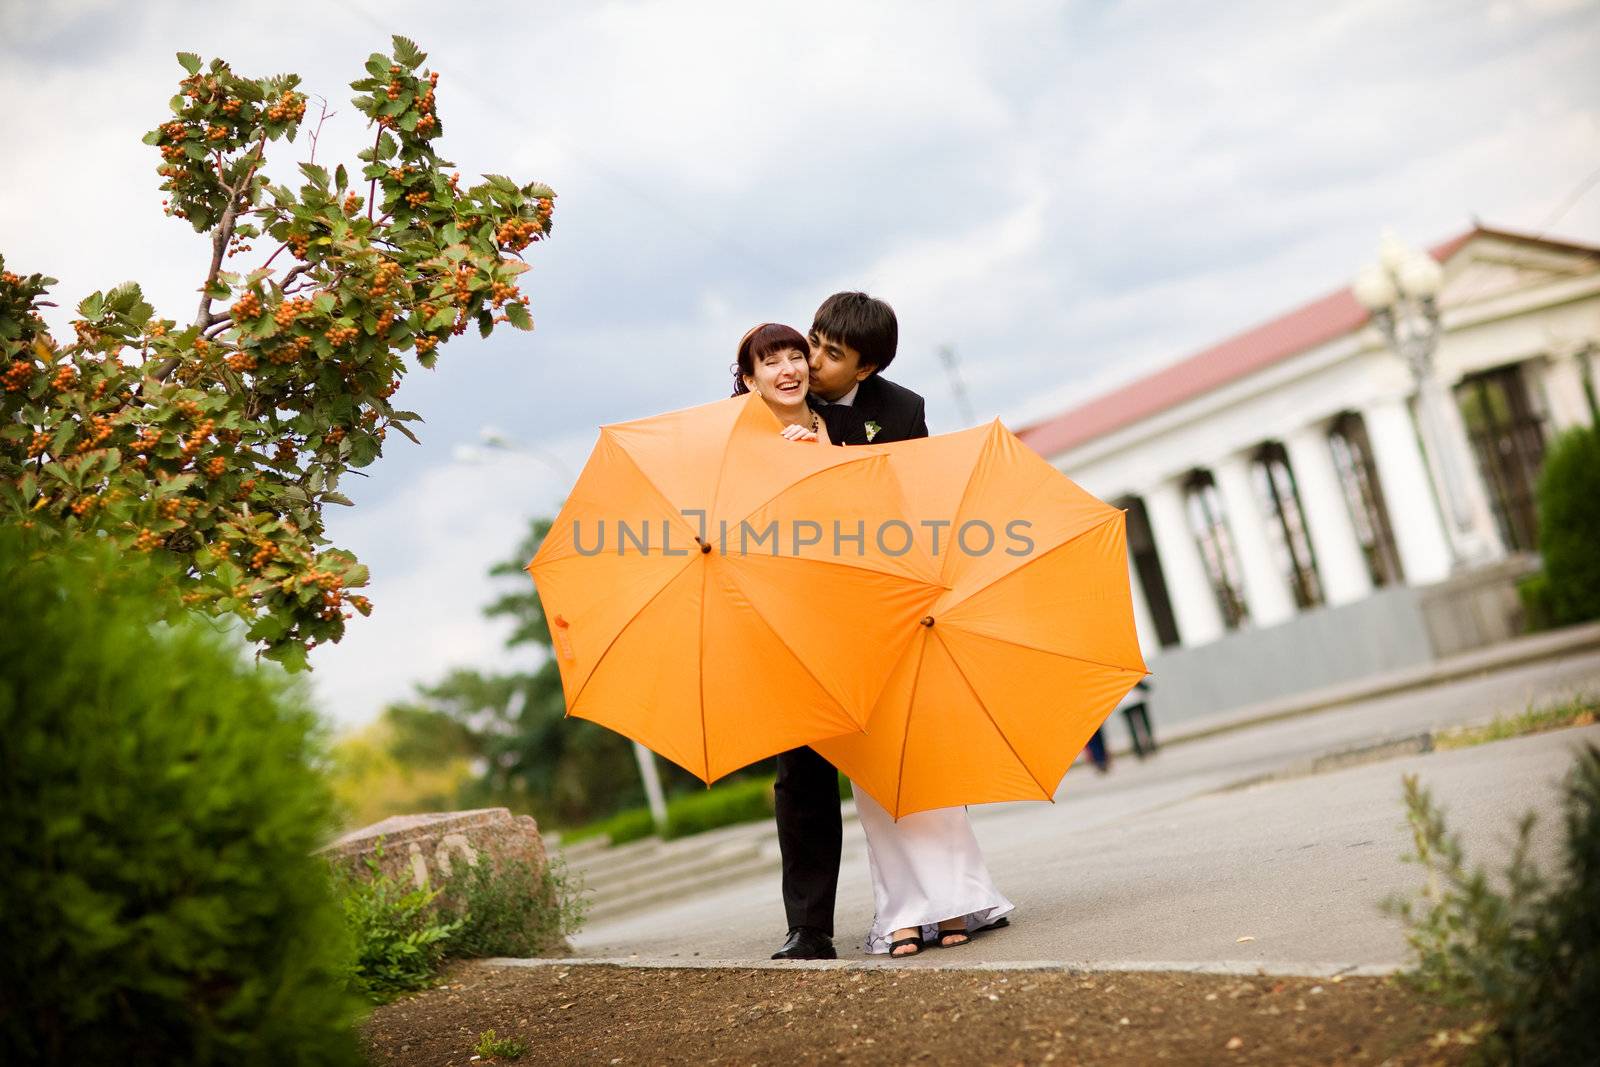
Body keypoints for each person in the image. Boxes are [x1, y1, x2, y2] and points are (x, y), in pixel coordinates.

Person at [734, 295, 1011, 960]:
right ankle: (822, 925)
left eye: (826, 353)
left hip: (888, 604)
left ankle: (953, 899)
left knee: (911, 753)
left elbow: (916, 503)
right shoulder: (770, 420)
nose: (810, 361)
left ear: (868, 363)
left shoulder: (897, 410)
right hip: (803, 619)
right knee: (810, 773)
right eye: (809, 345)